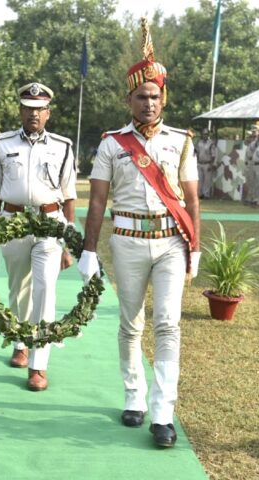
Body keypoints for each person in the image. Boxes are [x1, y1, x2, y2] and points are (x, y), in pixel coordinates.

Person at [78, 18, 200, 449]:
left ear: (162, 97)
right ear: (128, 99)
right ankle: (134, 396)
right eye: (141, 96)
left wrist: (195, 246)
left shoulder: (182, 141)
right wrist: (88, 251)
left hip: (170, 242)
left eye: (155, 96)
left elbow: (190, 196)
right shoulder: (112, 143)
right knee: (130, 324)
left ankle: (163, 412)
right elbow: (96, 202)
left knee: (168, 324)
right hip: (127, 240)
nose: (148, 103)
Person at [0, 82, 77, 391]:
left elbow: (69, 196)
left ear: (48, 113)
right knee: (18, 289)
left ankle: (38, 365)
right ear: (20, 111)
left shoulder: (63, 146)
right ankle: (20, 340)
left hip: (49, 223)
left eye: (39, 110)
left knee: (45, 290)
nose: (33, 114)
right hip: (13, 222)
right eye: (28, 108)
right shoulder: (0, 144)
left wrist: (67, 242)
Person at [195, 128, 217, 199]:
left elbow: (213, 155)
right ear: (202, 134)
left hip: (207, 163)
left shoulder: (211, 143)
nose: (205, 135)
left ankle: (206, 194)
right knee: (200, 179)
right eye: (204, 134)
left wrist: (211, 164)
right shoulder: (199, 142)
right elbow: (196, 152)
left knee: (207, 181)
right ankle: (200, 194)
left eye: (206, 134)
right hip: (200, 163)